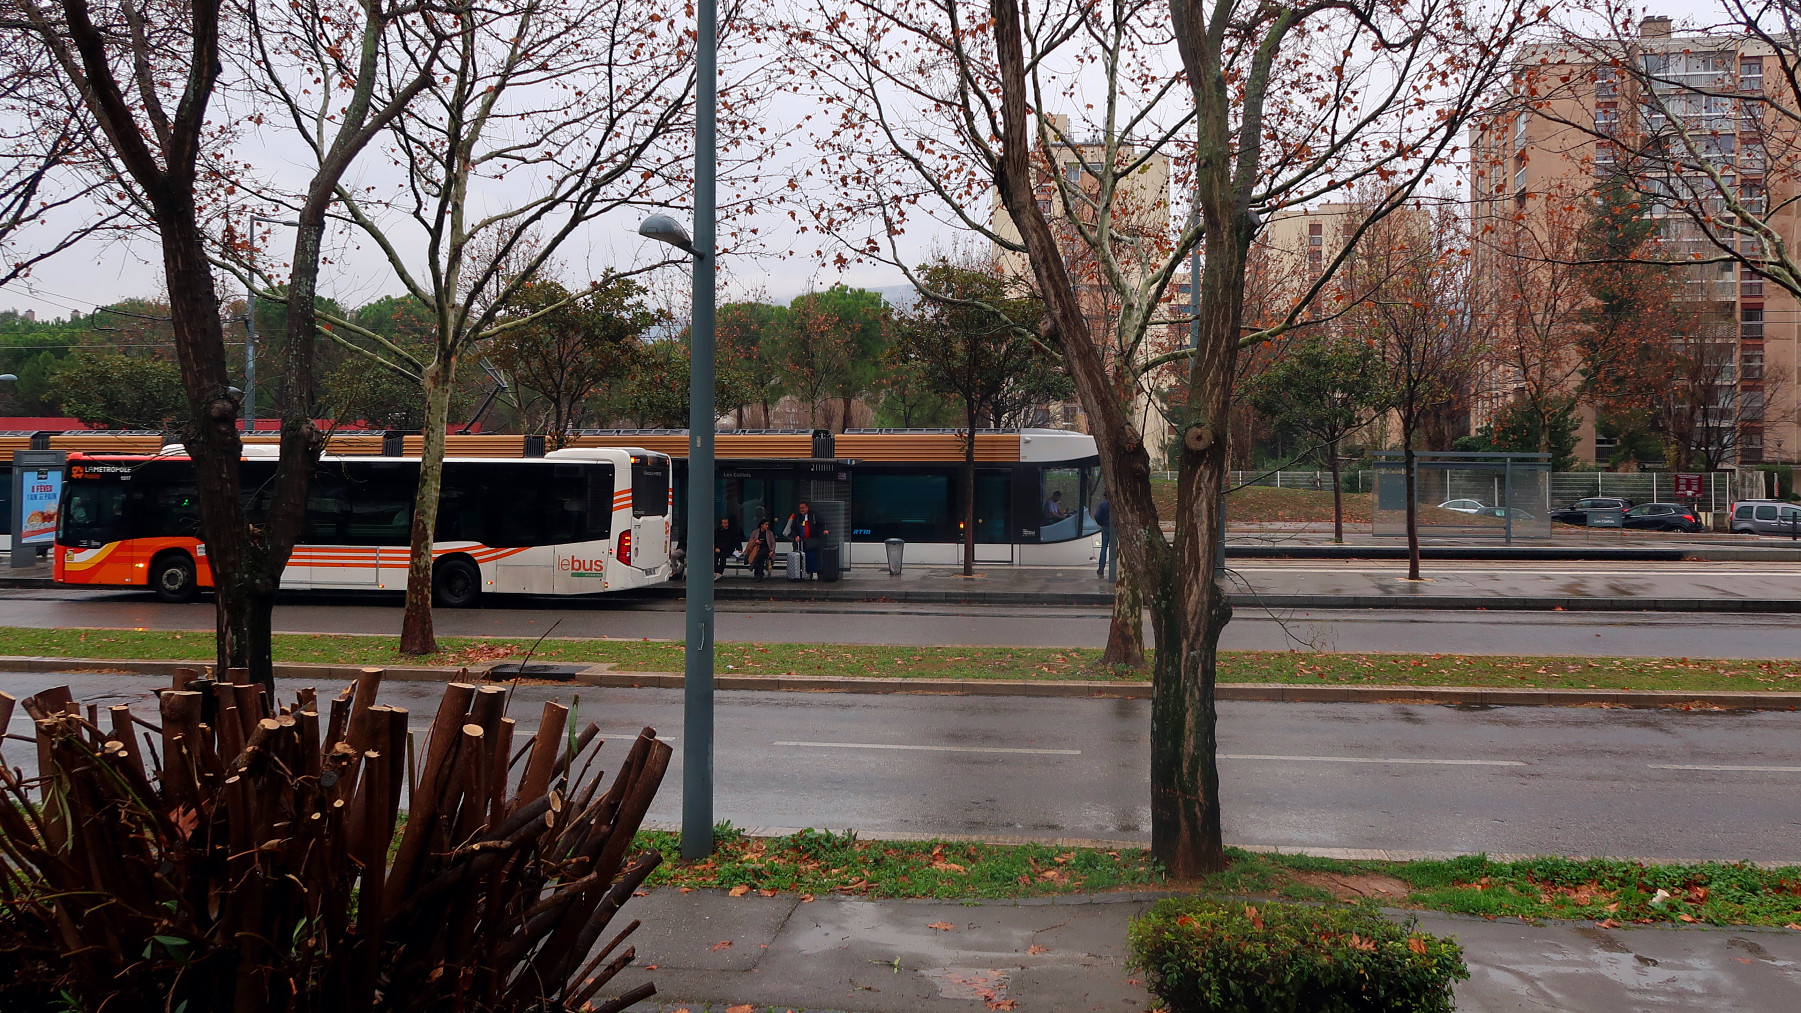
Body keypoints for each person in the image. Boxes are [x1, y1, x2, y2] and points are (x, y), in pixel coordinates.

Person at [783, 500, 828, 578]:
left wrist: (824, 530)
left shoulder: (814, 515)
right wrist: (796, 536)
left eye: (803, 508)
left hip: (812, 541)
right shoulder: (797, 517)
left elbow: (821, 524)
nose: (801, 510)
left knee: (812, 557)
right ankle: (804, 573)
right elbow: (793, 529)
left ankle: (814, 572)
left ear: (807, 507)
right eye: (800, 508)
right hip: (801, 542)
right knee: (802, 558)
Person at [1094, 491, 1113, 579]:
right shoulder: (1116, 503)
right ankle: (1114, 568)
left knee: (1104, 548)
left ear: (1105, 496)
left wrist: (1101, 523)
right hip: (1115, 528)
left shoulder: (1103, 504)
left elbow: (1097, 516)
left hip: (1105, 527)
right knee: (1114, 549)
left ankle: (1101, 568)